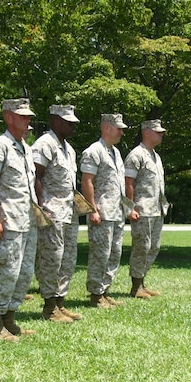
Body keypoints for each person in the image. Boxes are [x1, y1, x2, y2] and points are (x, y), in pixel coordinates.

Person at [0, 98, 39, 341]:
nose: (28, 122)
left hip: (28, 221)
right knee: (6, 271)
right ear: (8, 117)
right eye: (22, 116)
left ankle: (9, 319)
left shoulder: (25, 148)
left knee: (24, 273)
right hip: (9, 222)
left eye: (29, 117)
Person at [33, 104, 84, 323]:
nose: (72, 126)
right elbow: (35, 176)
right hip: (52, 212)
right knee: (51, 259)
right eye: (67, 121)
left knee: (68, 259)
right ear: (55, 121)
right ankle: (49, 306)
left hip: (69, 213)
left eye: (73, 122)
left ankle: (60, 302)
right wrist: (41, 206)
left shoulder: (69, 149)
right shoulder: (45, 144)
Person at [82, 113, 133, 309]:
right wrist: (92, 209)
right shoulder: (94, 151)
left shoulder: (115, 153)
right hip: (102, 213)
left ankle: (104, 291)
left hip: (116, 212)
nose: (121, 132)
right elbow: (87, 181)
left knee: (114, 253)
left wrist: (127, 209)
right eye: (118, 128)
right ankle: (95, 294)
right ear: (106, 128)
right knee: (100, 254)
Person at [125, 118, 170, 298]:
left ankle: (142, 283)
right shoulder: (136, 155)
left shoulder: (155, 156)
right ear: (146, 132)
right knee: (141, 247)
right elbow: (128, 183)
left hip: (157, 209)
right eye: (157, 131)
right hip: (142, 209)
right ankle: (136, 286)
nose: (161, 134)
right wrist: (130, 207)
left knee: (154, 247)